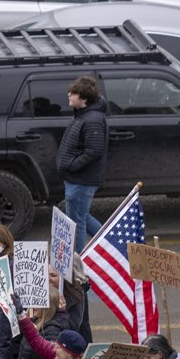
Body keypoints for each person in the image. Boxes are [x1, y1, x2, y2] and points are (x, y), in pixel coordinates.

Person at [56, 75, 108, 253]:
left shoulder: (91, 119)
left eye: (74, 93)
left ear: (84, 98)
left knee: (77, 222)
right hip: (76, 179)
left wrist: (71, 165)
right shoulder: (84, 115)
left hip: (82, 180)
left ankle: (77, 262)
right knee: (81, 216)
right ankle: (108, 245)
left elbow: (94, 151)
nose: (69, 94)